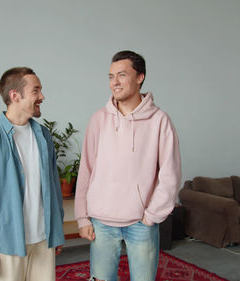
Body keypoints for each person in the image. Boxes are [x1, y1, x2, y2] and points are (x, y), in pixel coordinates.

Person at [74, 50, 182, 281]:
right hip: (101, 222)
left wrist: (151, 215)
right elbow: (86, 170)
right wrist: (83, 217)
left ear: (140, 77)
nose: (115, 82)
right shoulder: (98, 119)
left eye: (122, 75)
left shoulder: (159, 121)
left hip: (141, 223)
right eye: (111, 76)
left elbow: (170, 175)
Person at [0, 67, 65, 281]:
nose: (42, 97)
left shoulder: (43, 135)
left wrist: (56, 231)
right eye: (36, 91)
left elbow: (53, 187)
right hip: (7, 244)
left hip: (43, 240)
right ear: (15, 96)